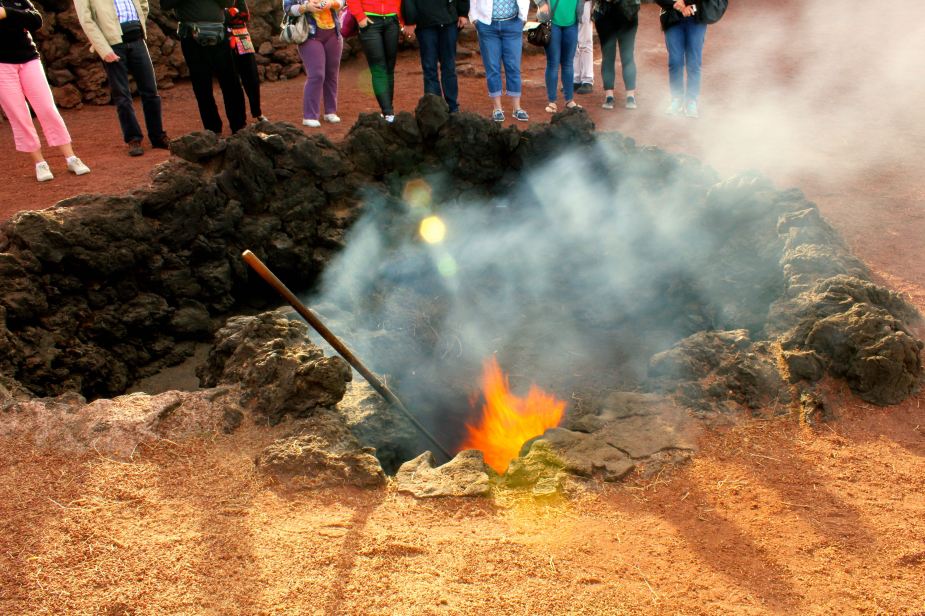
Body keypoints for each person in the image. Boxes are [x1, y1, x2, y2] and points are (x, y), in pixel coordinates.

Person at [0, 0, 91, 181]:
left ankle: (71, 158)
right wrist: (18, 19)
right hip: (2, 65)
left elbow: (36, 20)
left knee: (47, 108)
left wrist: (7, 13)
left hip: (29, 59)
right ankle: (39, 163)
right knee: (19, 114)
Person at [74, 0, 170, 156]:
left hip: (137, 39)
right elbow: (86, 21)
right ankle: (133, 139)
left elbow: (143, 4)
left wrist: (139, 25)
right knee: (122, 96)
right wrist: (103, 49)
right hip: (112, 44)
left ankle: (158, 136)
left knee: (151, 91)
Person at [161, 0, 246, 133]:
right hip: (191, 37)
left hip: (218, 34)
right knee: (202, 86)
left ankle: (239, 126)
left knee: (231, 82)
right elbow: (165, 4)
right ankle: (212, 130)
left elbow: (229, 2)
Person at [402, 0, 468, 113]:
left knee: (449, 66)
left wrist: (463, 12)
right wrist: (410, 20)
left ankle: (452, 106)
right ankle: (435, 109)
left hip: (448, 20)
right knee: (429, 67)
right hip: (425, 23)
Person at [349, 0, 410, 122]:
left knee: (389, 68)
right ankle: (388, 112)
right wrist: (360, 16)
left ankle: (388, 110)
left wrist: (401, 19)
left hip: (392, 20)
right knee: (379, 68)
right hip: (369, 20)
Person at [469, 0, 530, 122]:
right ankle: (497, 109)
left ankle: (517, 108)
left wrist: (523, 18)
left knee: (513, 67)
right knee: (492, 67)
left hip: (513, 23)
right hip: (487, 25)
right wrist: (475, 19)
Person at [285, 0, 343, 127]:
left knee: (331, 74)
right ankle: (309, 115)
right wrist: (306, 7)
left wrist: (331, 3)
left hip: (334, 32)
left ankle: (330, 112)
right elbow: (287, 9)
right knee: (317, 74)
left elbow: (343, 2)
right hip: (309, 34)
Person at [656, 0, 706, 118]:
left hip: (696, 18)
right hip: (672, 17)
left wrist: (685, 3)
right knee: (675, 61)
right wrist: (674, 3)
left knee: (694, 62)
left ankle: (691, 101)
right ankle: (677, 98)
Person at [535, 0, 583, 114]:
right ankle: (552, 101)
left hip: (572, 21)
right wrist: (541, 3)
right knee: (553, 62)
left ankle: (569, 100)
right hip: (552, 21)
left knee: (568, 63)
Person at [592, 0, 638, 110]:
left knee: (627, 56)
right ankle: (609, 96)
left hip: (628, 13)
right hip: (604, 14)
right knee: (608, 55)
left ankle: (630, 96)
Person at [226, 0, 266, 123]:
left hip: (243, 36)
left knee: (252, 77)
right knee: (232, 80)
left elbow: (245, 15)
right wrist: (231, 15)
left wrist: (230, 14)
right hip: (226, 39)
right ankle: (239, 120)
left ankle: (257, 112)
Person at [572, 0, 592, 94]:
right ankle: (576, 79)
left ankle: (587, 80)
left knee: (585, 42)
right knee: (573, 43)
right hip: (569, 4)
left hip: (584, 2)